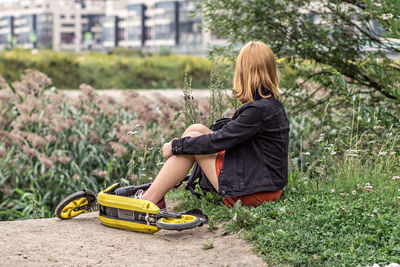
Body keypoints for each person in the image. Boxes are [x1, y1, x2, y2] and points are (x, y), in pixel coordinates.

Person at [139, 41, 290, 209]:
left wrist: (175, 146)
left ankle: (150, 199)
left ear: (243, 72)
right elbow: (229, 137)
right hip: (263, 182)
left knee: (193, 141)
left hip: (256, 193)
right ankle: (157, 193)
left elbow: (217, 141)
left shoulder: (258, 110)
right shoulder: (269, 105)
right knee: (195, 129)